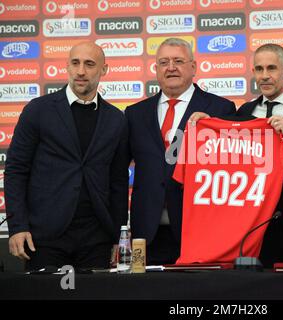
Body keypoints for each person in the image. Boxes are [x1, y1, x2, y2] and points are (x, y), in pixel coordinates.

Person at [191, 43, 283, 267]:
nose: (265, 76)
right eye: (259, 69)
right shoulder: (243, 113)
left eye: (272, 68)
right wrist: (208, 124)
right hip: (251, 231)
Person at [5, 41, 129, 271]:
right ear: (67, 66)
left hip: (96, 239)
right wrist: (18, 226)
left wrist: (118, 237)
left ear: (104, 70)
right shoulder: (38, 110)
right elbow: (16, 170)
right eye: (75, 63)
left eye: (89, 64)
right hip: (44, 236)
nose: (81, 71)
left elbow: (118, 182)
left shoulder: (116, 120)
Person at [125, 38, 235, 265]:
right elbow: (117, 173)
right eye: (163, 62)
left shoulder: (220, 109)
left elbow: (232, 169)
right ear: (156, 69)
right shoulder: (135, 113)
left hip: (199, 229)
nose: (171, 67)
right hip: (146, 233)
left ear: (193, 67)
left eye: (178, 61)